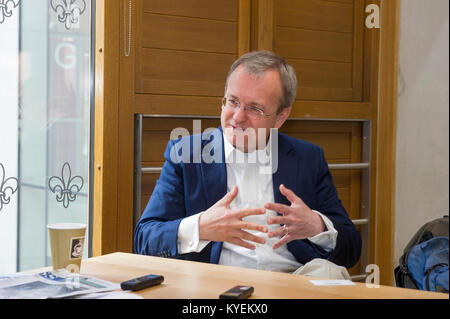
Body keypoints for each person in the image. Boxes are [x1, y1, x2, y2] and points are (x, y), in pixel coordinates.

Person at [134, 50, 361, 277]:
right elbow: (145, 240)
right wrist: (201, 227)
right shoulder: (186, 155)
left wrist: (317, 226)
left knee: (330, 273)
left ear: (281, 117)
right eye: (233, 101)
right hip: (216, 284)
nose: (238, 117)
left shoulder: (308, 158)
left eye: (255, 108)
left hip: (292, 282)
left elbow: (351, 249)